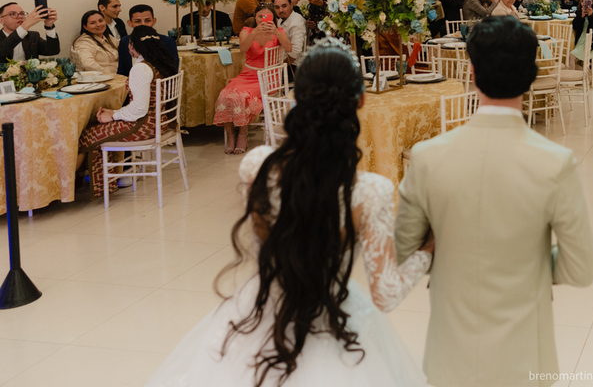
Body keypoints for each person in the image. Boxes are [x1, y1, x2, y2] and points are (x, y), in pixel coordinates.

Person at [147, 39, 433, 387]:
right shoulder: (370, 191)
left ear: (296, 98)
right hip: (332, 312)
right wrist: (429, 247)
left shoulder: (257, 166)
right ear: (360, 101)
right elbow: (386, 293)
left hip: (262, 306)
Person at [394, 16, 593, 386]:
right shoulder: (555, 163)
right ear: (531, 75)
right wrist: (530, 262)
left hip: (450, 357)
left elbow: (406, 253)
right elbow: (582, 268)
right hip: (525, 359)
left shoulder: (427, 158)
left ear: (472, 73)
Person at [77, 26, 178, 197]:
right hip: (160, 122)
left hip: (143, 126)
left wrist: (113, 115)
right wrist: (114, 112)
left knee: (86, 135)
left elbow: (139, 109)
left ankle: (72, 184)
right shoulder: (161, 63)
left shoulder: (141, 69)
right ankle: (103, 183)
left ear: (132, 46)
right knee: (95, 129)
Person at [215, 3, 292, 155]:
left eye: (267, 16)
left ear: (273, 18)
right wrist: (255, 32)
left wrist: (276, 32)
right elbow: (243, 49)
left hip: (269, 78)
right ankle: (231, 135)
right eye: (260, 16)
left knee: (242, 96)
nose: (263, 19)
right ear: (255, 17)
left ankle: (243, 135)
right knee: (225, 94)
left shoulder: (279, 31)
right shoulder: (247, 31)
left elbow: (289, 48)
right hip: (248, 74)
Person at [117, 5, 179, 77]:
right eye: (137, 21)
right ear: (130, 23)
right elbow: (122, 71)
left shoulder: (167, 42)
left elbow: (173, 71)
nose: (143, 24)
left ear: (154, 21)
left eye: (147, 21)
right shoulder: (125, 41)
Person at [71, 10, 120, 75]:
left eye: (101, 21)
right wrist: (109, 74)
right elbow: (88, 65)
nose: (99, 24)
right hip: (102, 78)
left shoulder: (107, 37)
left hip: (119, 76)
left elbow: (123, 45)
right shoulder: (84, 42)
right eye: (92, 23)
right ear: (85, 27)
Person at [273, 0, 307, 70]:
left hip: (293, 66)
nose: (281, 10)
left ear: (291, 5)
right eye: (277, 7)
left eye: (284, 6)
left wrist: (280, 67)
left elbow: (295, 52)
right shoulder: (281, 20)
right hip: (282, 61)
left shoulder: (296, 23)